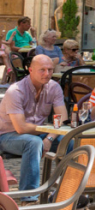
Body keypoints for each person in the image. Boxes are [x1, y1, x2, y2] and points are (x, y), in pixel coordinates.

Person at [0, 55, 66, 199]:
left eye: (50, 70)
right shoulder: (15, 91)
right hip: (7, 136)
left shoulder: (53, 87)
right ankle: (29, 197)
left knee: (70, 141)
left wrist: (49, 137)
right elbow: (21, 128)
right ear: (30, 70)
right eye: (42, 70)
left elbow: (62, 117)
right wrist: (47, 131)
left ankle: (66, 190)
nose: (47, 74)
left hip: (40, 133)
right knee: (33, 143)